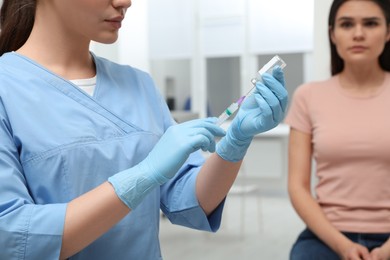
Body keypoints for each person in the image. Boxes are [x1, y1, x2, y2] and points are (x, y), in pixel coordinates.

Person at [0, 0, 288, 259]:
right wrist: (142, 175)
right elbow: (12, 236)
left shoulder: (139, 85)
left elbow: (187, 199)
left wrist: (236, 142)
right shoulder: (7, 88)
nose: (125, 2)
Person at [285, 0, 390, 259]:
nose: (358, 33)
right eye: (346, 24)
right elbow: (297, 187)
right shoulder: (307, 96)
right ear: (332, 34)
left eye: (370, 23)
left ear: (388, 31)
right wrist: (343, 246)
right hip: (327, 234)